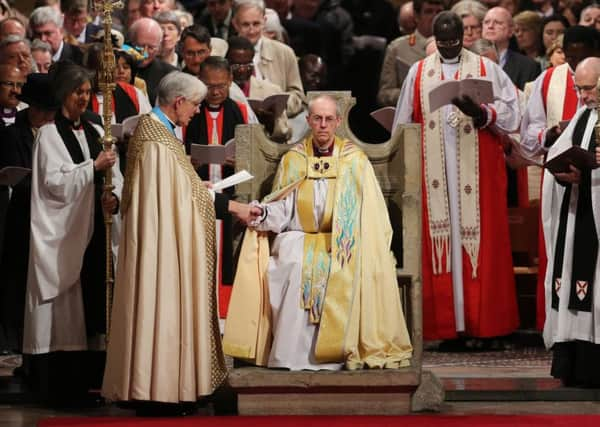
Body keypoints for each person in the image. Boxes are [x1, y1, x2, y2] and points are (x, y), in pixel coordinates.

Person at [102, 71, 261, 409]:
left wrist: (193, 186)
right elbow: (180, 197)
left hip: (161, 240)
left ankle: (161, 385)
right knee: (163, 305)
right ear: (178, 102)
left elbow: (173, 190)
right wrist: (233, 207)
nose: (196, 112)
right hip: (161, 248)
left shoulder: (156, 133)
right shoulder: (158, 139)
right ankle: (159, 391)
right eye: (195, 105)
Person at [223, 94, 413, 370]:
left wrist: (355, 239)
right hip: (299, 237)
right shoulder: (295, 159)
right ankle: (290, 355)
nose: (323, 125)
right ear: (309, 121)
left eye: (328, 119)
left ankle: (337, 351)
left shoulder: (354, 160)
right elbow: (283, 207)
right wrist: (262, 213)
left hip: (344, 240)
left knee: (343, 265)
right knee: (293, 262)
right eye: (317, 119)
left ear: (337, 122)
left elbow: (371, 213)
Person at [393, 11, 520, 342]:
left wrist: (483, 113)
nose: (448, 49)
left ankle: (483, 326)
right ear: (435, 38)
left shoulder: (485, 68)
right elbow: (403, 125)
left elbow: (513, 114)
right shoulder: (419, 73)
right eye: (443, 43)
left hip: (476, 176)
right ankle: (446, 328)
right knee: (440, 244)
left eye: (453, 42)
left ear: (462, 36)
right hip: (434, 177)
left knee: (482, 244)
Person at [22, 61, 122, 407]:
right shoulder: (49, 134)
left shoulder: (95, 132)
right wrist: (93, 168)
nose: (84, 98)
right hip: (63, 234)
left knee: (92, 310)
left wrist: (113, 197)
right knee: (64, 314)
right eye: (78, 92)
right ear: (64, 94)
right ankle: (58, 390)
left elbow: (114, 177)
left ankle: (90, 384)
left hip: (93, 230)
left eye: (87, 92)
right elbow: (55, 184)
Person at [520, 25, 600, 332]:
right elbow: (528, 134)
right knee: (563, 262)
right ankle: (567, 336)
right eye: (569, 55)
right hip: (567, 195)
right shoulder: (549, 81)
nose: (581, 95)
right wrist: (550, 135)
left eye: (587, 88)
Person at [542, 56, 600, 387]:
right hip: (579, 215)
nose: (583, 95)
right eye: (579, 88)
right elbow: (556, 160)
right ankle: (575, 365)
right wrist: (565, 175)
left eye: (589, 88)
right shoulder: (582, 117)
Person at [0, 73, 59, 360]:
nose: (47, 116)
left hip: (54, 216)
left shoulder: (57, 131)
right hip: (24, 214)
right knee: (18, 278)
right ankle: (16, 336)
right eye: (42, 110)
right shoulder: (12, 134)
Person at [184, 57, 248, 319]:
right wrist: (189, 159)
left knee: (227, 258)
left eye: (221, 85)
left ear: (230, 82)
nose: (216, 91)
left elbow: (255, 147)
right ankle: (198, 309)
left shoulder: (241, 111)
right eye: (209, 86)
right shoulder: (189, 111)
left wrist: (240, 157)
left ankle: (225, 310)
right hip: (197, 192)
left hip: (229, 190)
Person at [232, 0, 305, 118]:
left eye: (256, 24)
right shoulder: (223, 52)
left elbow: (298, 97)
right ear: (235, 24)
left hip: (277, 126)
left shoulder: (284, 53)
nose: (251, 30)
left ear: (264, 21)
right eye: (245, 24)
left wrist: (278, 107)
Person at [377, 0, 445, 107]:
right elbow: (384, 94)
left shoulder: (453, 47)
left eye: (439, 12)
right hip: (411, 117)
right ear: (417, 16)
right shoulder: (397, 48)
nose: (435, 17)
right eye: (429, 11)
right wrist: (412, 94)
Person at [226, 36, 290, 141]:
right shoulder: (219, 91)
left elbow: (287, 132)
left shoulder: (271, 91)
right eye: (236, 65)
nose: (242, 70)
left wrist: (271, 123)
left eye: (248, 65)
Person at [482, 6, 540, 91]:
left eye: (498, 23)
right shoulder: (468, 60)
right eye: (486, 22)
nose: (490, 26)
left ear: (511, 30)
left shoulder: (528, 66)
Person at [128, 17, 177, 104]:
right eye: (140, 46)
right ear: (131, 42)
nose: (145, 53)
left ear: (159, 47)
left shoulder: (171, 75)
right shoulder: (116, 68)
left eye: (151, 48)